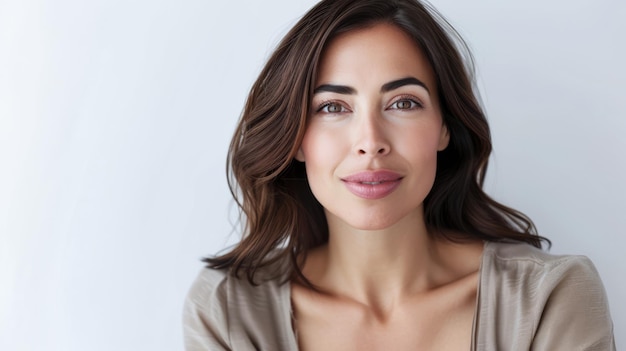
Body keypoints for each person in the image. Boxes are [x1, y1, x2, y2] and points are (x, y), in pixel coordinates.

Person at [183, 0, 615, 349]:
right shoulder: (227, 311)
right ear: (296, 138)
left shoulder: (549, 298)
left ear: (445, 127)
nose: (370, 141)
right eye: (333, 107)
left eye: (403, 103)